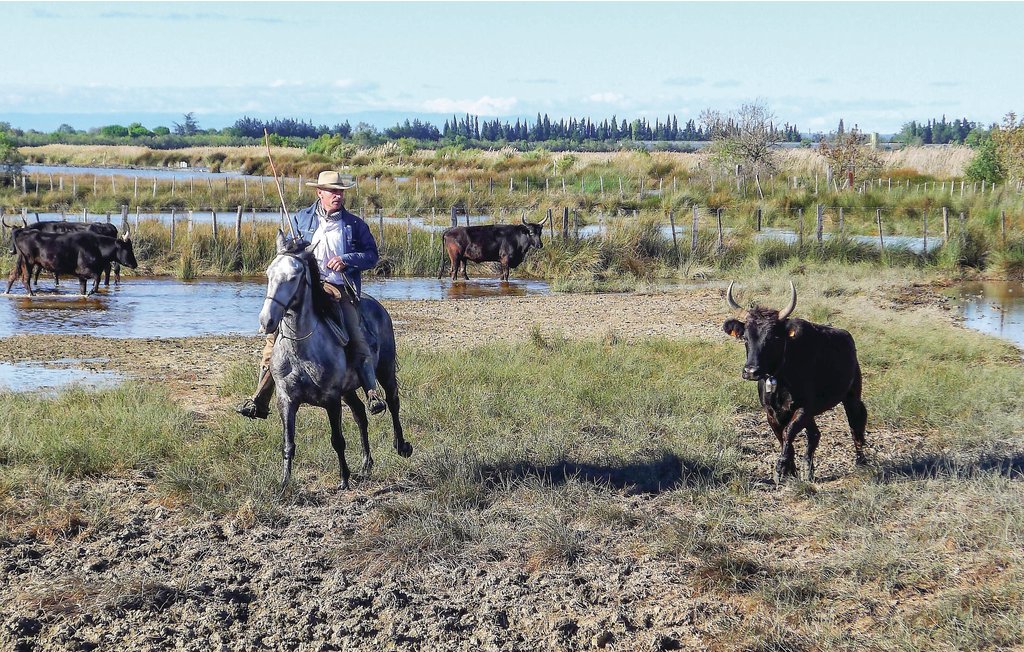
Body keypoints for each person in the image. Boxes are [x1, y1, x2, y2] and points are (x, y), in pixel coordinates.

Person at [236, 170, 387, 419]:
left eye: (340, 191)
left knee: (357, 335)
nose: (337, 195)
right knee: (273, 340)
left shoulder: (355, 225)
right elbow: (288, 253)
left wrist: (348, 260)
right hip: (305, 288)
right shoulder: (300, 219)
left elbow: (372, 256)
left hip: (339, 288)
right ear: (320, 193)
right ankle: (259, 398)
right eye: (332, 191)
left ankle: (371, 391)